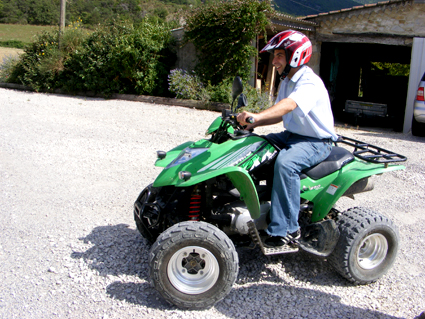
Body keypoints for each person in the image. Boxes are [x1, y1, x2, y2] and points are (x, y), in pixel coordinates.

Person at [237, 30, 338, 247]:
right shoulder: (287, 81)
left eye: (279, 55)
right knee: (255, 146)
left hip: (316, 142)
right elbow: (279, 113)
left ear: (295, 55)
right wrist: (251, 123)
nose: (274, 61)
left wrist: (257, 116)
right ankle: (254, 203)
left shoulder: (309, 82)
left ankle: (288, 229)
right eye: (275, 56)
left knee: (286, 163)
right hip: (292, 136)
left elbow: (290, 105)